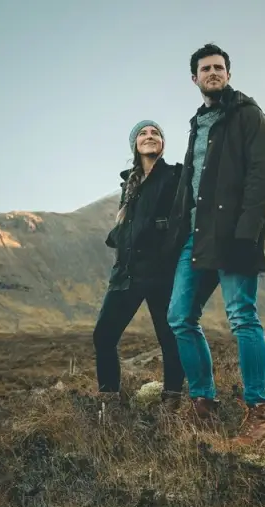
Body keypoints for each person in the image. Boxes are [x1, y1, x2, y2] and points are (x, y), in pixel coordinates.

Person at [165, 43, 265, 445]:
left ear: (228, 73)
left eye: (219, 67)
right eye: (205, 69)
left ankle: (258, 415)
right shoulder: (198, 123)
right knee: (179, 316)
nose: (212, 73)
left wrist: (248, 234)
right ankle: (205, 404)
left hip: (234, 236)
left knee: (242, 317)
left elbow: (260, 179)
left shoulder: (249, 116)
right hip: (197, 237)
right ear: (194, 78)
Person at [93, 120, 186, 409]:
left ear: (162, 144)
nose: (150, 136)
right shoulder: (129, 184)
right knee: (103, 335)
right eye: (143, 134)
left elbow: (183, 219)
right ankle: (110, 404)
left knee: (169, 339)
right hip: (127, 273)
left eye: (155, 133)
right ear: (135, 144)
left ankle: (172, 400)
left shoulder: (176, 175)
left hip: (162, 272)